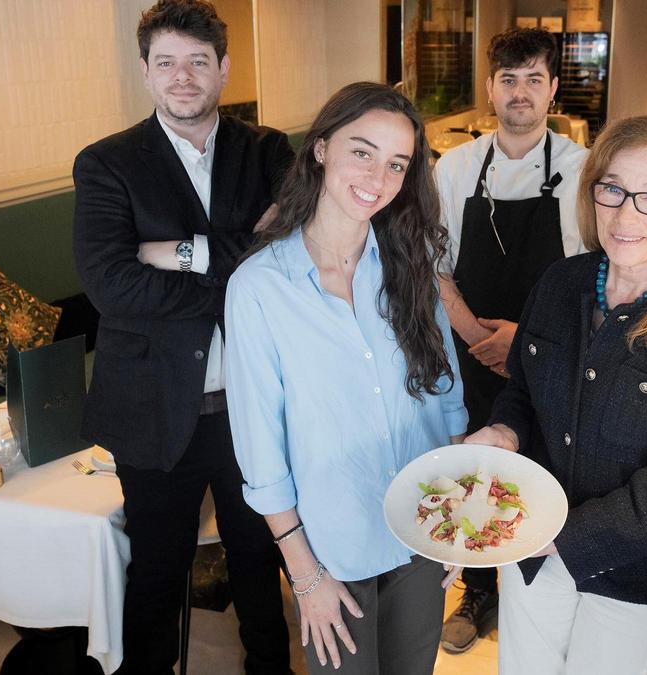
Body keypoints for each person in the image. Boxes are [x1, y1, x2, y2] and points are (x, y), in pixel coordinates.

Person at [467, 114, 647, 674]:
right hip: (535, 558)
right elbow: (523, 390)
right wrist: (505, 431)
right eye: (613, 189)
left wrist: (553, 535)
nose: (625, 215)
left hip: (641, 580)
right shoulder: (560, 284)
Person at [71, 1, 294, 673]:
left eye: (198, 61)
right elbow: (112, 286)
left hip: (251, 406)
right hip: (151, 405)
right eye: (166, 62)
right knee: (156, 569)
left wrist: (176, 252)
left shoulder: (267, 151)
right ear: (145, 71)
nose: (183, 77)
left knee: (258, 555)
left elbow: (288, 257)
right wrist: (234, 263)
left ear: (224, 68)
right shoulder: (106, 163)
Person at [224, 82, 468, 674]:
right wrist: (305, 576)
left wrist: (457, 522)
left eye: (396, 164)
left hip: (423, 528)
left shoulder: (411, 267)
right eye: (362, 152)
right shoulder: (259, 289)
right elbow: (261, 453)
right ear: (320, 149)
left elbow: (447, 400)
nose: (377, 178)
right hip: (334, 553)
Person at [432, 26, 587, 653]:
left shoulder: (582, 170)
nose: (520, 92)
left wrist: (523, 341)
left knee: (545, 464)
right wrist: (478, 337)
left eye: (533, 79)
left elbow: (592, 276)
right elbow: (432, 267)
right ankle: (477, 588)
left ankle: (540, 587)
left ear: (553, 89)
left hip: (555, 349)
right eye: (508, 80)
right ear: (490, 89)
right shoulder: (455, 167)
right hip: (472, 352)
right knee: (477, 466)